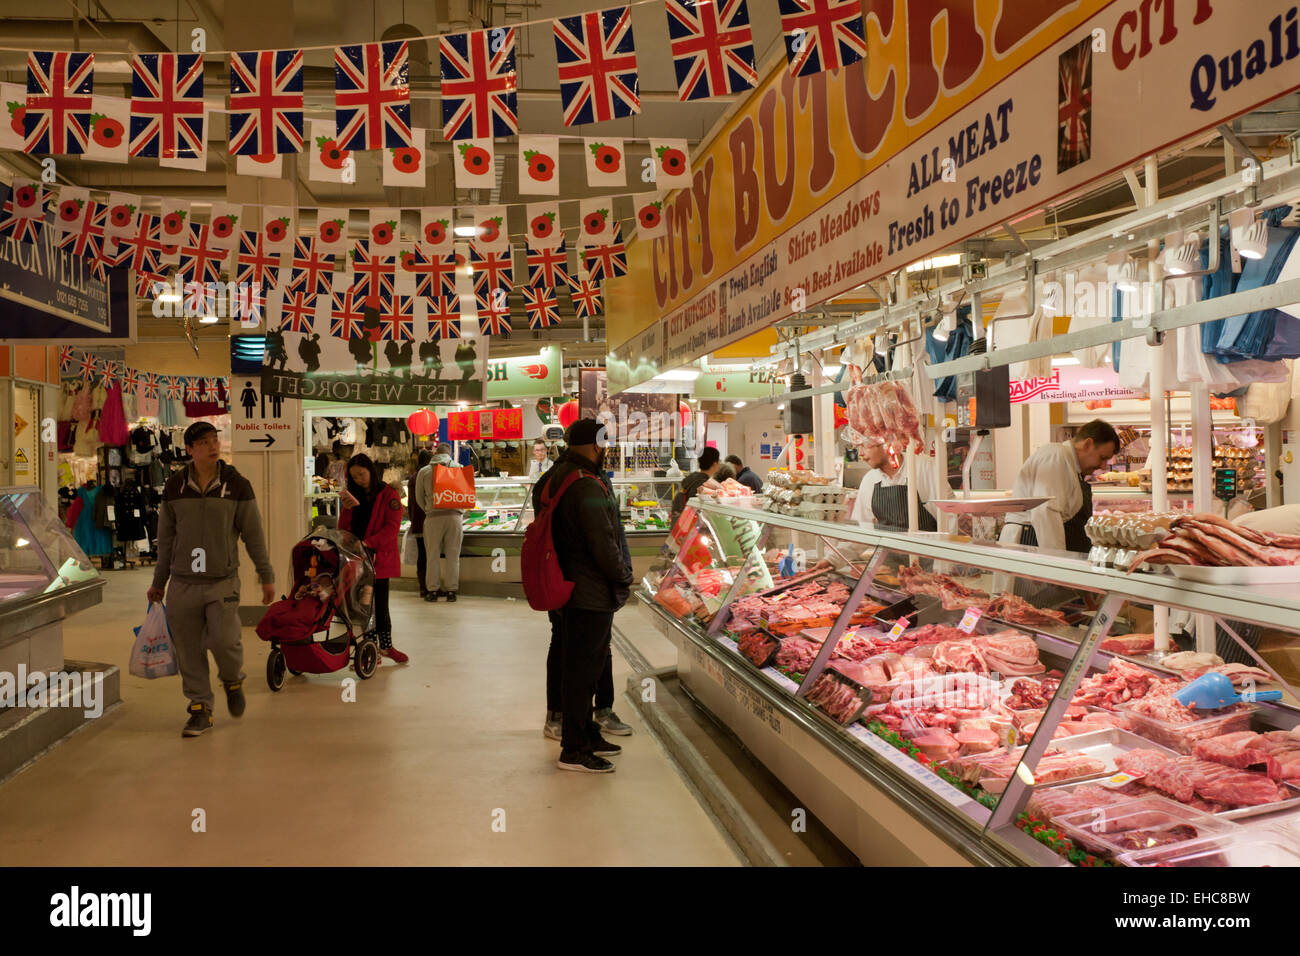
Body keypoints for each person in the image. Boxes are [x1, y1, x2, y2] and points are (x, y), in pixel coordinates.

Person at [146, 421, 275, 737]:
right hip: (183, 582)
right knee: (189, 650)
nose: (212, 445)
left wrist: (266, 574)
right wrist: (158, 582)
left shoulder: (237, 485)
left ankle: (232, 680)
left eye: (214, 439)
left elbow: (253, 534)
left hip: (222, 580)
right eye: (203, 442)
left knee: (223, 640)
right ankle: (200, 709)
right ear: (189, 449)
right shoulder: (175, 486)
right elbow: (166, 540)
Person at [532, 418, 634, 773]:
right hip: (587, 592)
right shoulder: (586, 484)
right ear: (597, 445)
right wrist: (623, 576)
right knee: (582, 669)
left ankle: (586, 732)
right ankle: (574, 749)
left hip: (563, 587)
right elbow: (604, 544)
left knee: (576, 663)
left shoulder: (554, 476)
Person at [998, 418, 1120, 554]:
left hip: (1039, 543)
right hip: (1031, 542)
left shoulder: (1070, 464)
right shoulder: (1056, 456)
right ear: (1088, 444)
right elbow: (1046, 512)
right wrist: (1058, 563)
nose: (1102, 466)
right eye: (1102, 458)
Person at [338, 453, 409, 664]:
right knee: (362, 605)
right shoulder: (353, 495)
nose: (359, 479)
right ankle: (371, 647)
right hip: (356, 559)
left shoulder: (389, 494)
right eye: (355, 477)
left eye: (362, 474)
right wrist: (347, 510)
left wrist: (368, 543)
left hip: (378, 559)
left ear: (371, 470)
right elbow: (343, 529)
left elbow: (391, 528)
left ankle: (386, 646)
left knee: (380, 605)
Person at [851, 438, 940, 531]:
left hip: (926, 544)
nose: (860, 453)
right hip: (887, 545)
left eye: (864, 445)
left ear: (886, 442)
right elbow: (862, 526)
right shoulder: (869, 480)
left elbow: (948, 517)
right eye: (858, 446)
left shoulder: (924, 467)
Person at [415, 443, 464, 602]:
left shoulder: (424, 471)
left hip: (433, 518)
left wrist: (429, 510)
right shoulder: (459, 467)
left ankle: (433, 591)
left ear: (435, 453)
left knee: (432, 556)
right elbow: (467, 494)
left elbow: (418, 498)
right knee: (453, 556)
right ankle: (451, 592)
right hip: (454, 516)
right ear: (449, 454)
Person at [669, 446, 721, 526]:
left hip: (681, 524)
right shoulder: (702, 483)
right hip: (691, 528)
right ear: (715, 463)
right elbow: (698, 509)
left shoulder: (692, 479)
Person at [409, 449, 433, 599]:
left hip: (416, 519)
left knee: (422, 554)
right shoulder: (426, 475)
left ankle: (423, 587)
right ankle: (427, 586)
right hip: (426, 518)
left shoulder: (414, 476)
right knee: (427, 554)